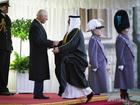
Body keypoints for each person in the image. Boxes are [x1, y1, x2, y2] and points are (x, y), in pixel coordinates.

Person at [53, 15, 94, 103]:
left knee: (77, 77)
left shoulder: (76, 32)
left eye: (69, 21)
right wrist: (58, 44)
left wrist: (59, 49)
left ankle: (89, 92)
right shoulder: (70, 32)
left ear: (73, 21)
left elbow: (71, 44)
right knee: (70, 77)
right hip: (71, 58)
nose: (68, 22)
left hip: (77, 58)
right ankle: (69, 94)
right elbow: (65, 43)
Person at [29, 9, 58, 99]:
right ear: (40, 16)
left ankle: (38, 93)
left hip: (39, 54)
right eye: (45, 16)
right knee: (39, 74)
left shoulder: (37, 25)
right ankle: (38, 94)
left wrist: (51, 44)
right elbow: (39, 40)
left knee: (40, 74)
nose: (47, 18)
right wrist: (52, 43)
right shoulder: (35, 26)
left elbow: (41, 40)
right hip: (38, 55)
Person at [114, 10, 135, 100]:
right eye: (125, 28)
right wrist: (121, 64)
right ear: (121, 28)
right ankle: (123, 95)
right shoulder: (120, 38)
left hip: (128, 63)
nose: (127, 29)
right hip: (124, 64)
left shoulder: (125, 37)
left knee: (126, 81)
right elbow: (119, 52)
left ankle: (125, 94)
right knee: (123, 81)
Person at [87, 19, 108, 95]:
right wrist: (95, 65)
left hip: (101, 65)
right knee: (96, 85)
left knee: (99, 85)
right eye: (98, 29)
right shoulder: (93, 40)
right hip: (96, 66)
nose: (100, 30)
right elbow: (92, 54)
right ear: (93, 30)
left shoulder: (97, 39)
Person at [0, 0, 14, 96]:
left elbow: (9, 34)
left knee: (5, 68)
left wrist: (10, 45)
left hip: (7, 47)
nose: (7, 8)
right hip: (0, 46)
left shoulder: (7, 18)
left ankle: (4, 87)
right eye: (6, 6)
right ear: (1, 7)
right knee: (0, 68)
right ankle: (1, 88)